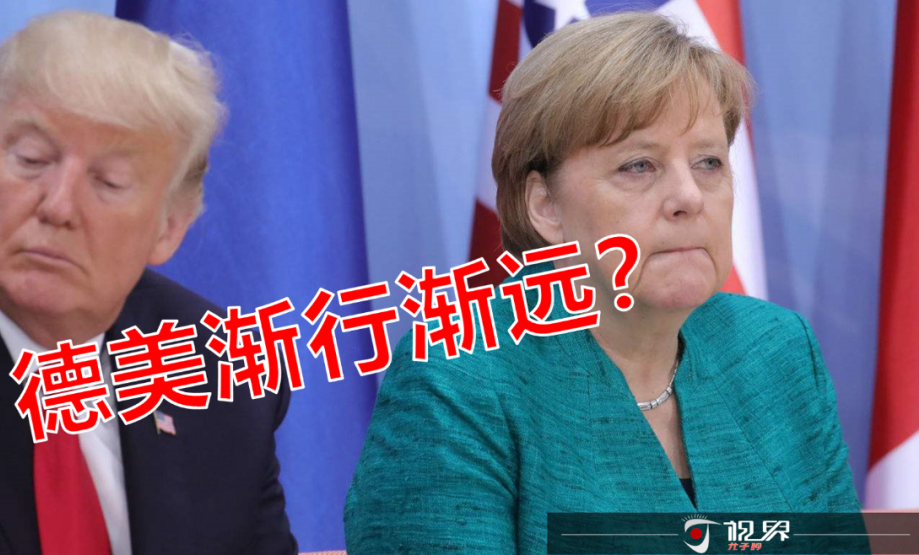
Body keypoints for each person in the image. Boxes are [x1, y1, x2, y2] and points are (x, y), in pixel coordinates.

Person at [344, 12, 862, 554]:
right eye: (639, 166)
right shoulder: (458, 382)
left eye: (709, 162)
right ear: (545, 206)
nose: (689, 197)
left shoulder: (776, 351)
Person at [0, 11, 297, 555]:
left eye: (109, 182)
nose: (58, 207)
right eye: (32, 160)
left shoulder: (221, 373)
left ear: (169, 227)